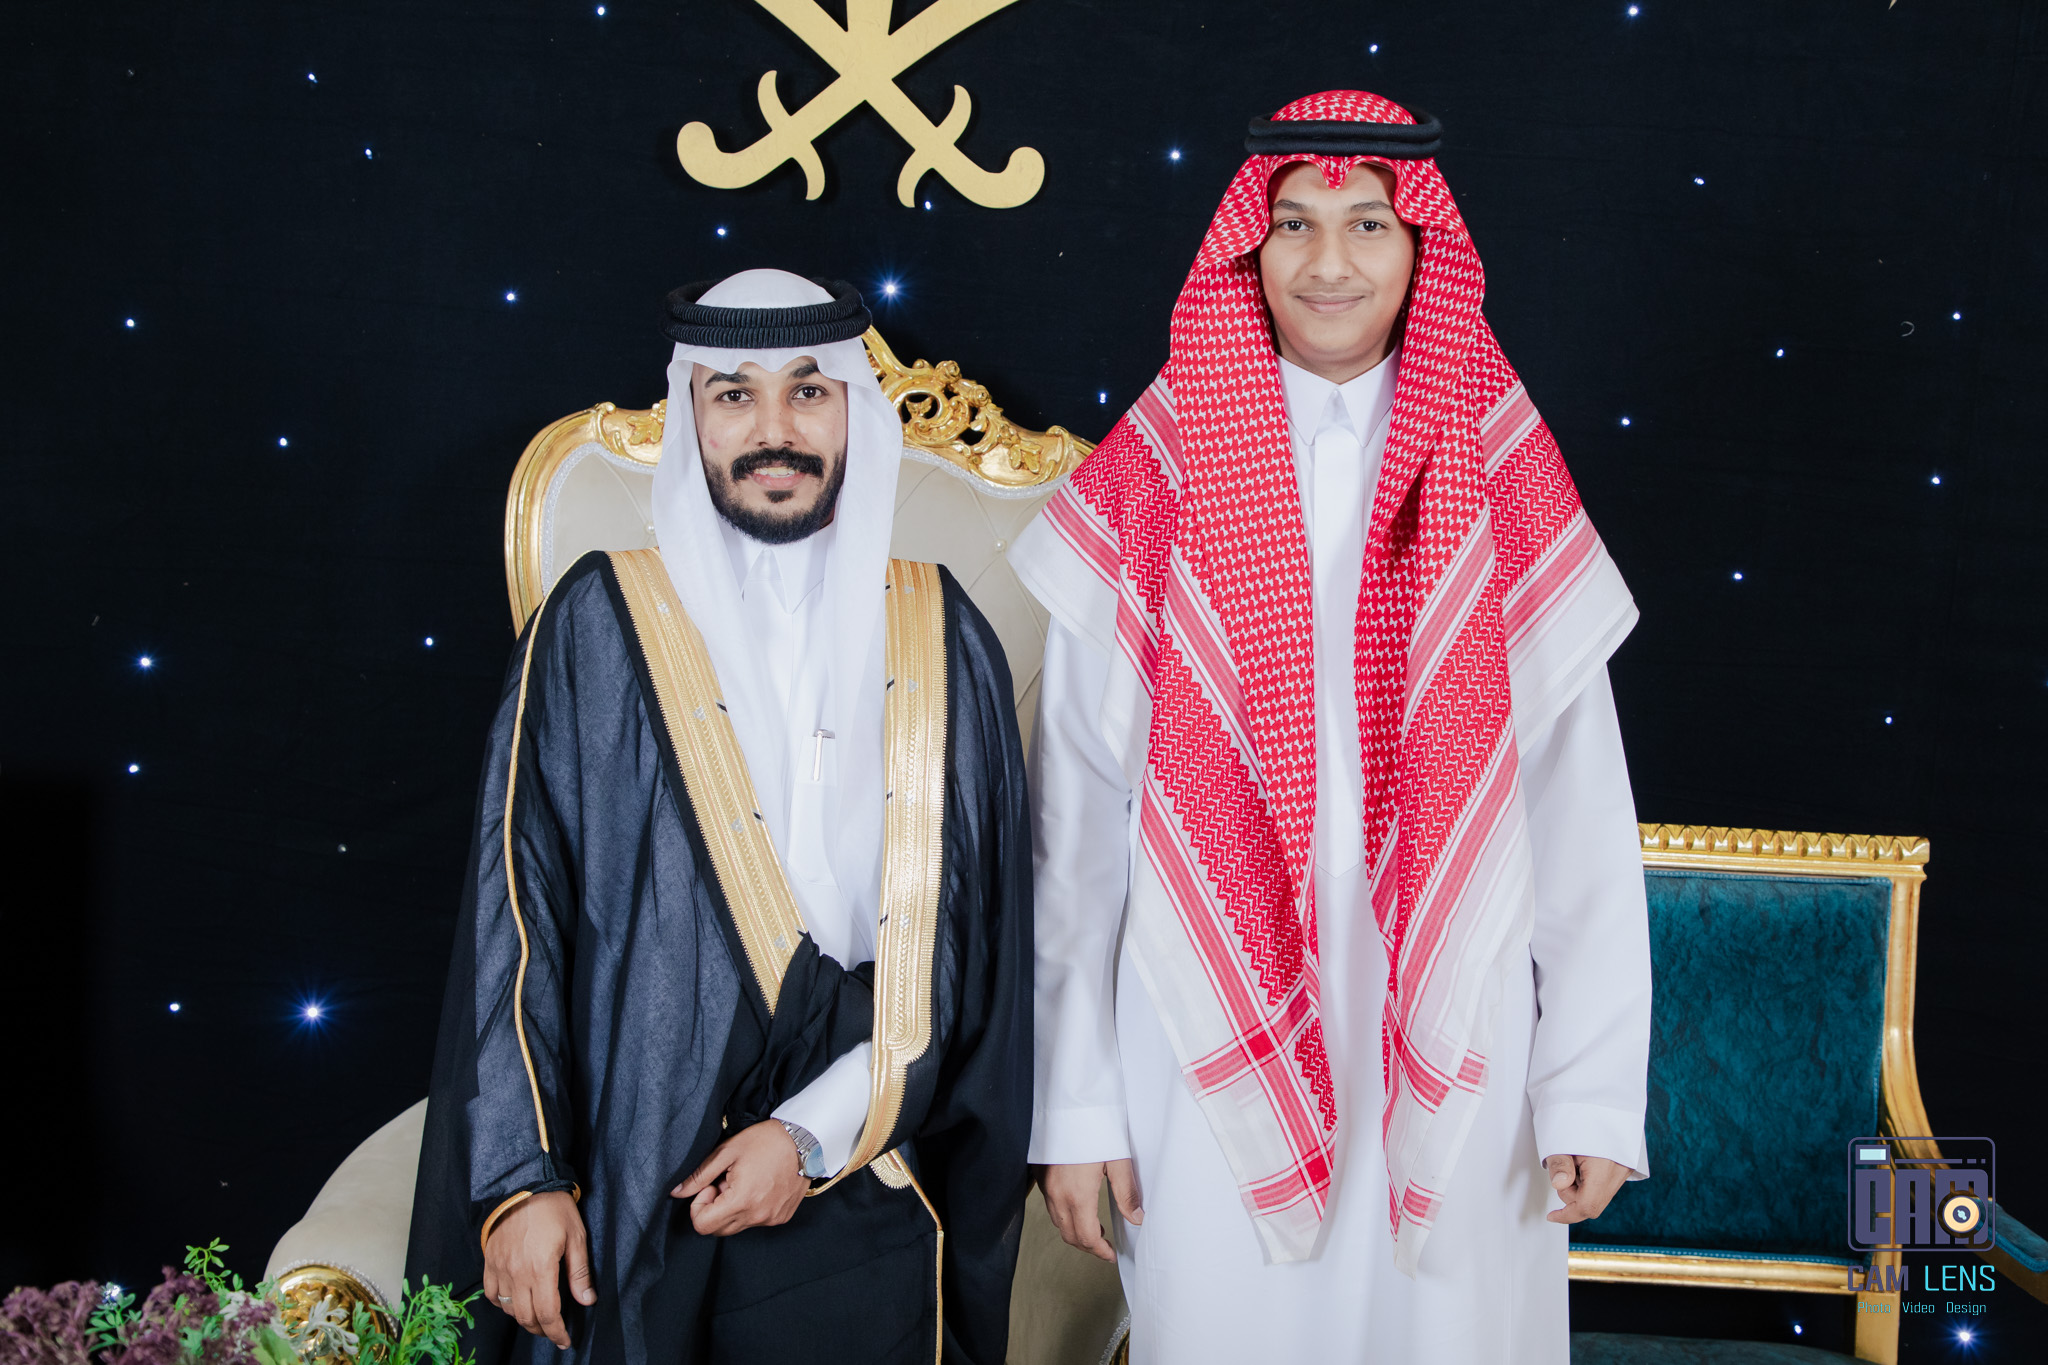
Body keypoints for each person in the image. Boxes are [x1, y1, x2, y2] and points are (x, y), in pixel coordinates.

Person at [1014, 91, 1652, 1363]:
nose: (1327, 262)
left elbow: (1575, 805)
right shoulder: (1158, 466)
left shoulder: (1498, 461)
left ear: (1420, 247)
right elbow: (1073, 827)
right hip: (1201, 1015)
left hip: (1457, 1011)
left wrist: (1586, 1086)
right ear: (1247, 248)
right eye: (1294, 223)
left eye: (1367, 222)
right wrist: (1076, 1108)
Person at [406, 269, 1032, 1365]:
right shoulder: (596, 621)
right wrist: (521, 1180)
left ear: (853, 411)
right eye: (734, 394)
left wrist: (807, 1135)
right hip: (631, 1153)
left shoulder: (941, 634)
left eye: (808, 392)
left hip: (867, 1149)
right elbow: (517, 917)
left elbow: (969, 958)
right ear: (690, 411)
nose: (773, 430)